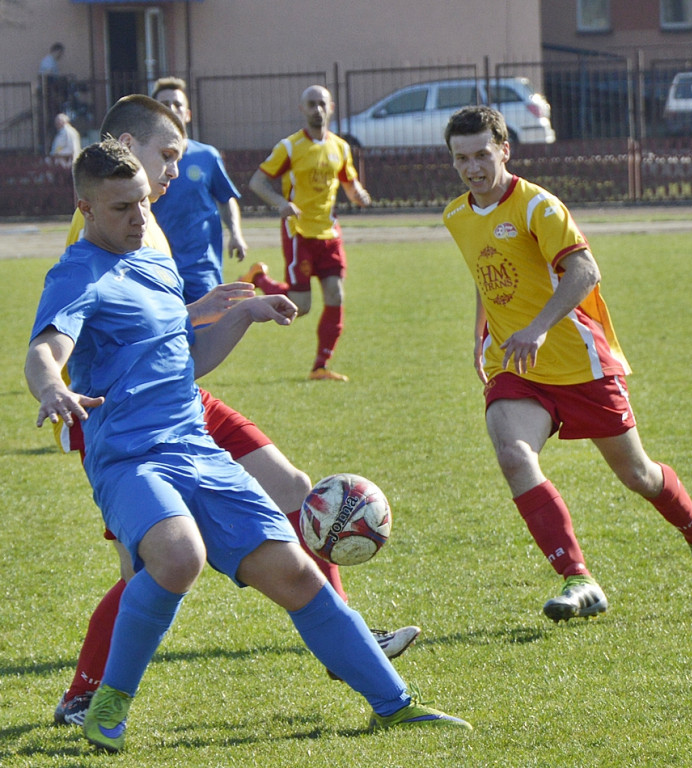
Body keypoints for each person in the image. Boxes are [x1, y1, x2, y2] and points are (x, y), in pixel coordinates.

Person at [26, 139, 471, 753]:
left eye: (143, 205)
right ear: (87, 208)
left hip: (196, 446)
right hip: (130, 458)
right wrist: (51, 385)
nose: (138, 216)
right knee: (179, 555)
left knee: (294, 573)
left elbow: (185, 359)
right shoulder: (78, 273)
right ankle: (108, 706)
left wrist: (245, 314)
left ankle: (394, 704)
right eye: (123, 208)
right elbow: (46, 347)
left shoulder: (154, 261)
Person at [441, 106, 692, 622]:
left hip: (581, 364)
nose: (473, 167)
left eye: (482, 154)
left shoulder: (538, 208)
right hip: (518, 365)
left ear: (504, 150)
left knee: (638, 475)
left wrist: (540, 326)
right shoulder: (456, 215)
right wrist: (480, 334)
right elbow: (486, 274)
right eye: (462, 158)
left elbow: (585, 270)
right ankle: (578, 578)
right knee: (512, 452)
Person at [245, 84, 372, 381]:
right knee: (300, 306)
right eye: (311, 104)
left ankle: (320, 366)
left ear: (331, 107)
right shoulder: (289, 147)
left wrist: (359, 195)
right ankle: (259, 278)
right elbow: (257, 182)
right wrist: (281, 203)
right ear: (302, 109)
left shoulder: (340, 147)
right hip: (298, 233)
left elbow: (350, 184)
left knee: (335, 295)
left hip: (329, 233)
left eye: (321, 104)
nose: (317, 109)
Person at [149, 77, 249, 304]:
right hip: (158, 264)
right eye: (164, 105)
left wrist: (235, 233)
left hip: (202, 267)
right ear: (154, 114)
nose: (172, 109)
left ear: (187, 114)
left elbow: (225, 198)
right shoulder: (144, 160)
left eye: (177, 104)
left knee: (208, 333)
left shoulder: (207, 156)